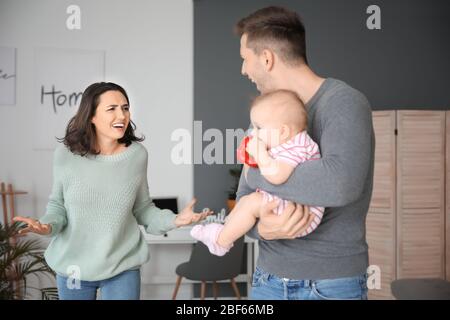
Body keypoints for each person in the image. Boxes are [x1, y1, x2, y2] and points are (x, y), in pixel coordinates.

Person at [13, 82, 210, 300]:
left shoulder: (136, 155)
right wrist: (47, 226)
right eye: (112, 109)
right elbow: (58, 206)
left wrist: (175, 220)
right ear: (91, 116)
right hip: (74, 266)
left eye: (125, 108)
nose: (122, 115)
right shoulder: (65, 155)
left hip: (121, 266)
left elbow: (143, 209)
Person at [234, 6, 374, 300]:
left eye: (245, 59)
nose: (243, 70)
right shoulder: (263, 117)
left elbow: (340, 183)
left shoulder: (343, 103)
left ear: (267, 58)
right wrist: (263, 231)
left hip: (331, 284)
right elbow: (244, 195)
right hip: (268, 278)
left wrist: (258, 169)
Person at [191, 90, 324, 256]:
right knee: (246, 201)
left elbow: (277, 176)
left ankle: (221, 241)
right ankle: (222, 230)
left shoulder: (298, 146)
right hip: (289, 204)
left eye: (258, 128)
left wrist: (260, 154)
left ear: (283, 132)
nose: (253, 133)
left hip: (299, 213)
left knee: (252, 202)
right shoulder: (284, 143)